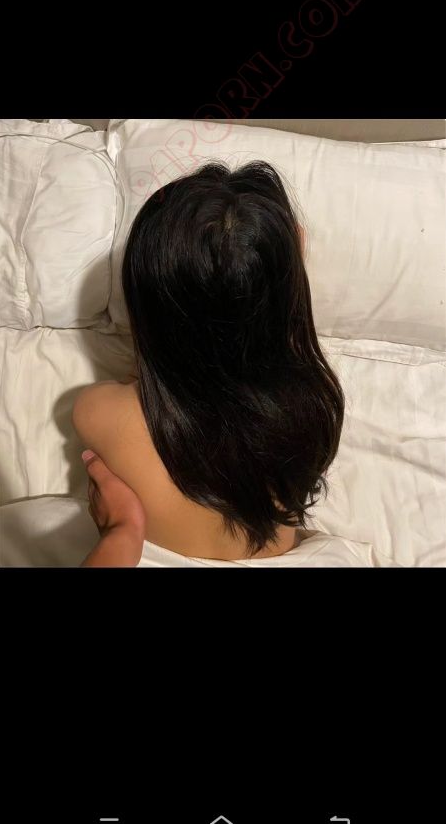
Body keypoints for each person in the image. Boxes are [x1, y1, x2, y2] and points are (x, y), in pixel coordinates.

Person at [74, 161, 345, 567]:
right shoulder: (313, 407)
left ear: (146, 302)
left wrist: (122, 530)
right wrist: (275, 256)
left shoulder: (96, 412)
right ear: (286, 298)